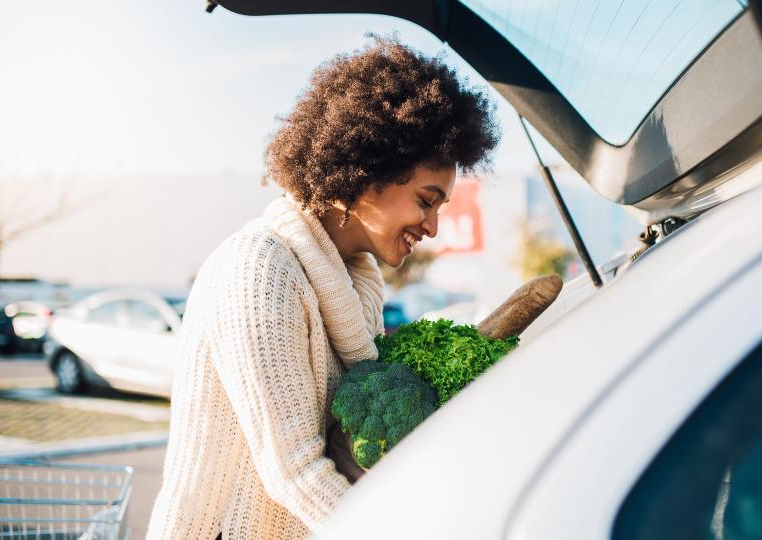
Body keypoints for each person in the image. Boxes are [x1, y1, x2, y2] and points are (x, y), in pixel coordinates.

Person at [146, 36, 499, 539]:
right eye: (426, 200)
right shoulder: (259, 270)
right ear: (368, 171)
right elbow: (295, 473)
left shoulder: (356, 283)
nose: (433, 226)